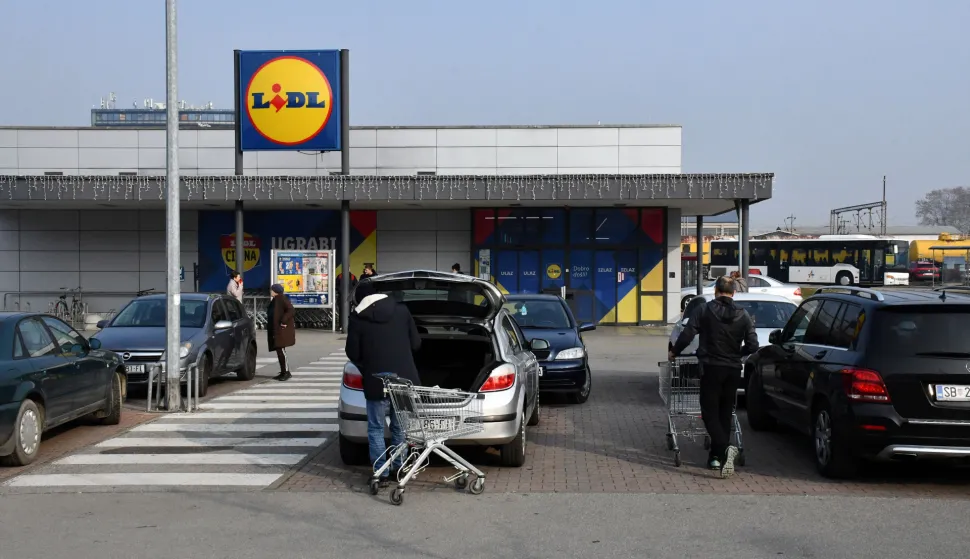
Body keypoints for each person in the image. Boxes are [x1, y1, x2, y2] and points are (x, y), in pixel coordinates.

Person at [669, 275, 758, 478]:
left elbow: (688, 334)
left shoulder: (704, 310)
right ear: (733, 292)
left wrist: (674, 351)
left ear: (716, 291)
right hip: (733, 369)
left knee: (709, 412)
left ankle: (725, 448)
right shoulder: (743, 315)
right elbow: (753, 345)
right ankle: (715, 458)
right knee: (725, 413)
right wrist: (738, 353)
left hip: (710, 367)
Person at [345, 278, 422, 486]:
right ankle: (399, 466)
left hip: (375, 380)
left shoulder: (357, 318)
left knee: (376, 428)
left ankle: (381, 471)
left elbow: (352, 352)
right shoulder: (402, 311)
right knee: (400, 428)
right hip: (404, 382)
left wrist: (367, 364)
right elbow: (416, 343)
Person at [267, 284, 296, 381]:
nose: (270, 291)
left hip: (281, 330)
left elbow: (291, 310)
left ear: (276, 291)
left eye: (272, 290)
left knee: (281, 351)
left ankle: (286, 372)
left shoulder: (281, 299)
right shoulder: (276, 299)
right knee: (279, 351)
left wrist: (283, 320)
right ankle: (283, 371)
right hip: (276, 329)